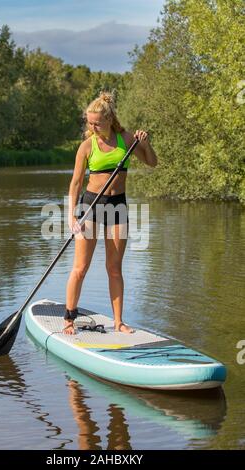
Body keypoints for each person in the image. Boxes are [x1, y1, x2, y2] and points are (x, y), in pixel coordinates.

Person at [64, 91, 157, 335]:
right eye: (89, 122)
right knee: (80, 268)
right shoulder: (87, 146)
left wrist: (145, 144)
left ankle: (118, 322)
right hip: (90, 207)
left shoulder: (127, 139)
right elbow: (75, 183)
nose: (92, 126)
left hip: (118, 206)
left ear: (109, 119)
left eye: (96, 122)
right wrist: (71, 216)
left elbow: (151, 162)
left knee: (114, 268)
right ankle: (69, 319)